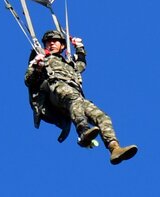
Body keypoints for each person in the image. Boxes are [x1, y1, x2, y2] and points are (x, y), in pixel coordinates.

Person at [25, 30, 138, 165]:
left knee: (102, 116)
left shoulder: (69, 63)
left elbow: (81, 65)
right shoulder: (42, 58)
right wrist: (36, 66)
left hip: (75, 96)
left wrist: (79, 47)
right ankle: (83, 132)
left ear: (62, 46)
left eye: (56, 41)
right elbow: (29, 81)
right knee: (73, 99)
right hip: (56, 90)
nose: (52, 43)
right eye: (49, 42)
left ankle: (114, 148)